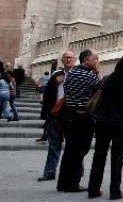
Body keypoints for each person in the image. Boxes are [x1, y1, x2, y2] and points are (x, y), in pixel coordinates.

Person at [88, 53, 123, 199]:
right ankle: (114, 190)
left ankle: (93, 189)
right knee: (117, 157)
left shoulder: (107, 80)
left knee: (99, 155)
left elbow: (95, 94)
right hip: (121, 123)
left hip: (103, 121)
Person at [57, 49, 102, 193]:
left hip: (69, 114)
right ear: (86, 60)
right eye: (95, 59)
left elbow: (66, 89)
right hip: (83, 117)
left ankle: (63, 182)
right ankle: (73, 183)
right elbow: (99, 91)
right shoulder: (89, 76)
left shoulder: (71, 73)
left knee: (70, 149)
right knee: (80, 150)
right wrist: (97, 72)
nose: (97, 62)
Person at [37, 51, 75, 182]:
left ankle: (73, 174)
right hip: (56, 113)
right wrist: (54, 83)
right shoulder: (56, 76)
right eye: (66, 58)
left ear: (74, 60)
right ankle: (49, 172)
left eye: (71, 57)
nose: (69, 59)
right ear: (63, 60)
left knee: (73, 146)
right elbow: (48, 95)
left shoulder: (77, 75)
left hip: (71, 115)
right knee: (53, 145)